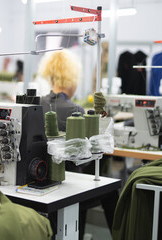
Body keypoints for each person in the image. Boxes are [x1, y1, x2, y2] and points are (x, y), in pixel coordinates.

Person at [39, 49, 118, 239]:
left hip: (40, 177)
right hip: (67, 184)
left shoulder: (37, 104)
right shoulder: (75, 110)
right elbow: (83, 157)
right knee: (111, 190)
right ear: (72, 79)